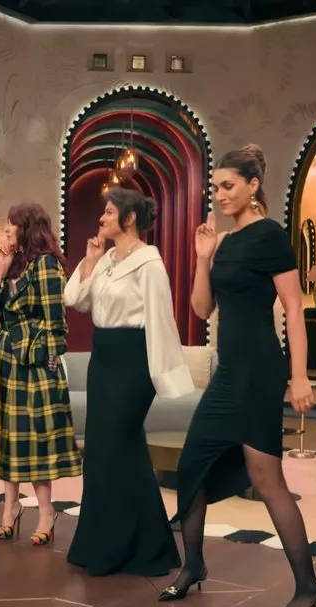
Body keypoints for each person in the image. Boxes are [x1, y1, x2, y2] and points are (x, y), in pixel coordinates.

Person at [158, 144, 316, 607]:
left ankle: (309, 588)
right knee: (192, 465)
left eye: (228, 185)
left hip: (259, 371)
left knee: (267, 479)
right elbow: (200, 309)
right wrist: (203, 258)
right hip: (229, 371)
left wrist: (298, 375)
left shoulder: (269, 236)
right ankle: (193, 565)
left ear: (254, 186)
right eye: (215, 187)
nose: (220, 194)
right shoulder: (224, 242)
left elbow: (293, 307)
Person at [64, 186, 195, 577]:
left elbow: (161, 321)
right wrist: (89, 262)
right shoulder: (104, 259)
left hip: (133, 363)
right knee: (102, 453)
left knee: (116, 449)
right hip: (102, 360)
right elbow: (75, 300)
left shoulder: (149, 263)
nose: (101, 218)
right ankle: (113, 544)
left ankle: (132, 549)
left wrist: (163, 377)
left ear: (130, 217)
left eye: (108, 212)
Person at [0, 203, 82, 544]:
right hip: (6, 363)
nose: (7, 229)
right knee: (10, 439)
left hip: (34, 367)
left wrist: (45, 363)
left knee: (35, 441)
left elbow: (56, 325)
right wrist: (0, 269)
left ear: (29, 228)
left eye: (13, 224)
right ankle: (10, 508)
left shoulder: (47, 265)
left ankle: (46, 512)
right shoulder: (15, 264)